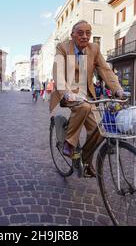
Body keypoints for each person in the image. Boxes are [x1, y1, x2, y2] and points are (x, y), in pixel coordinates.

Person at [50, 20, 124, 178]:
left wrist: (117, 89)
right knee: (83, 107)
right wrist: (66, 92)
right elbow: (58, 71)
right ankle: (69, 143)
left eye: (88, 33)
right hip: (69, 92)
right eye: (80, 33)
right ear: (72, 35)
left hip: (88, 95)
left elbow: (105, 70)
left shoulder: (94, 49)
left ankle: (85, 159)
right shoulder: (63, 47)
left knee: (101, 128)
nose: (84, 36)